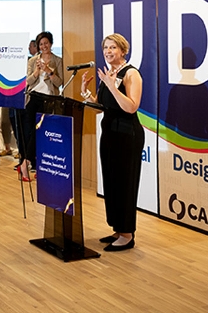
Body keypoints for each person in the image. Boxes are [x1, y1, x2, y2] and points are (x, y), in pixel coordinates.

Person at [81, 33, 144, 252]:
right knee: (112, 182)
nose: (108, 51)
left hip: (127, 135)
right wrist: (86, 93)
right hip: (109, 133)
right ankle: (118, 228)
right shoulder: (109, 74)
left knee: (124, 183)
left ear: (123, 50)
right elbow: (103, 106)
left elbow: (131, 106)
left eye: (113, 48)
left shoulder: (131, 73)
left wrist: (112, 86)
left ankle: (127, 234)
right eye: (106, 48)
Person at [18, 31, 63, 180]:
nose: (44, 46)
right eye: (41, 44)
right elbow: (28, 82)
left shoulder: (57, 60)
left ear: (51, 43)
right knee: (32, 133)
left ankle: (30, 165)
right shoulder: (32, 61)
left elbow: (59, 83)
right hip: (33, 98)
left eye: (46, 43)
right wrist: (37, 71)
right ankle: (30, 164)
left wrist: (49, 71)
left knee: (44, 134)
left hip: (49, 100)